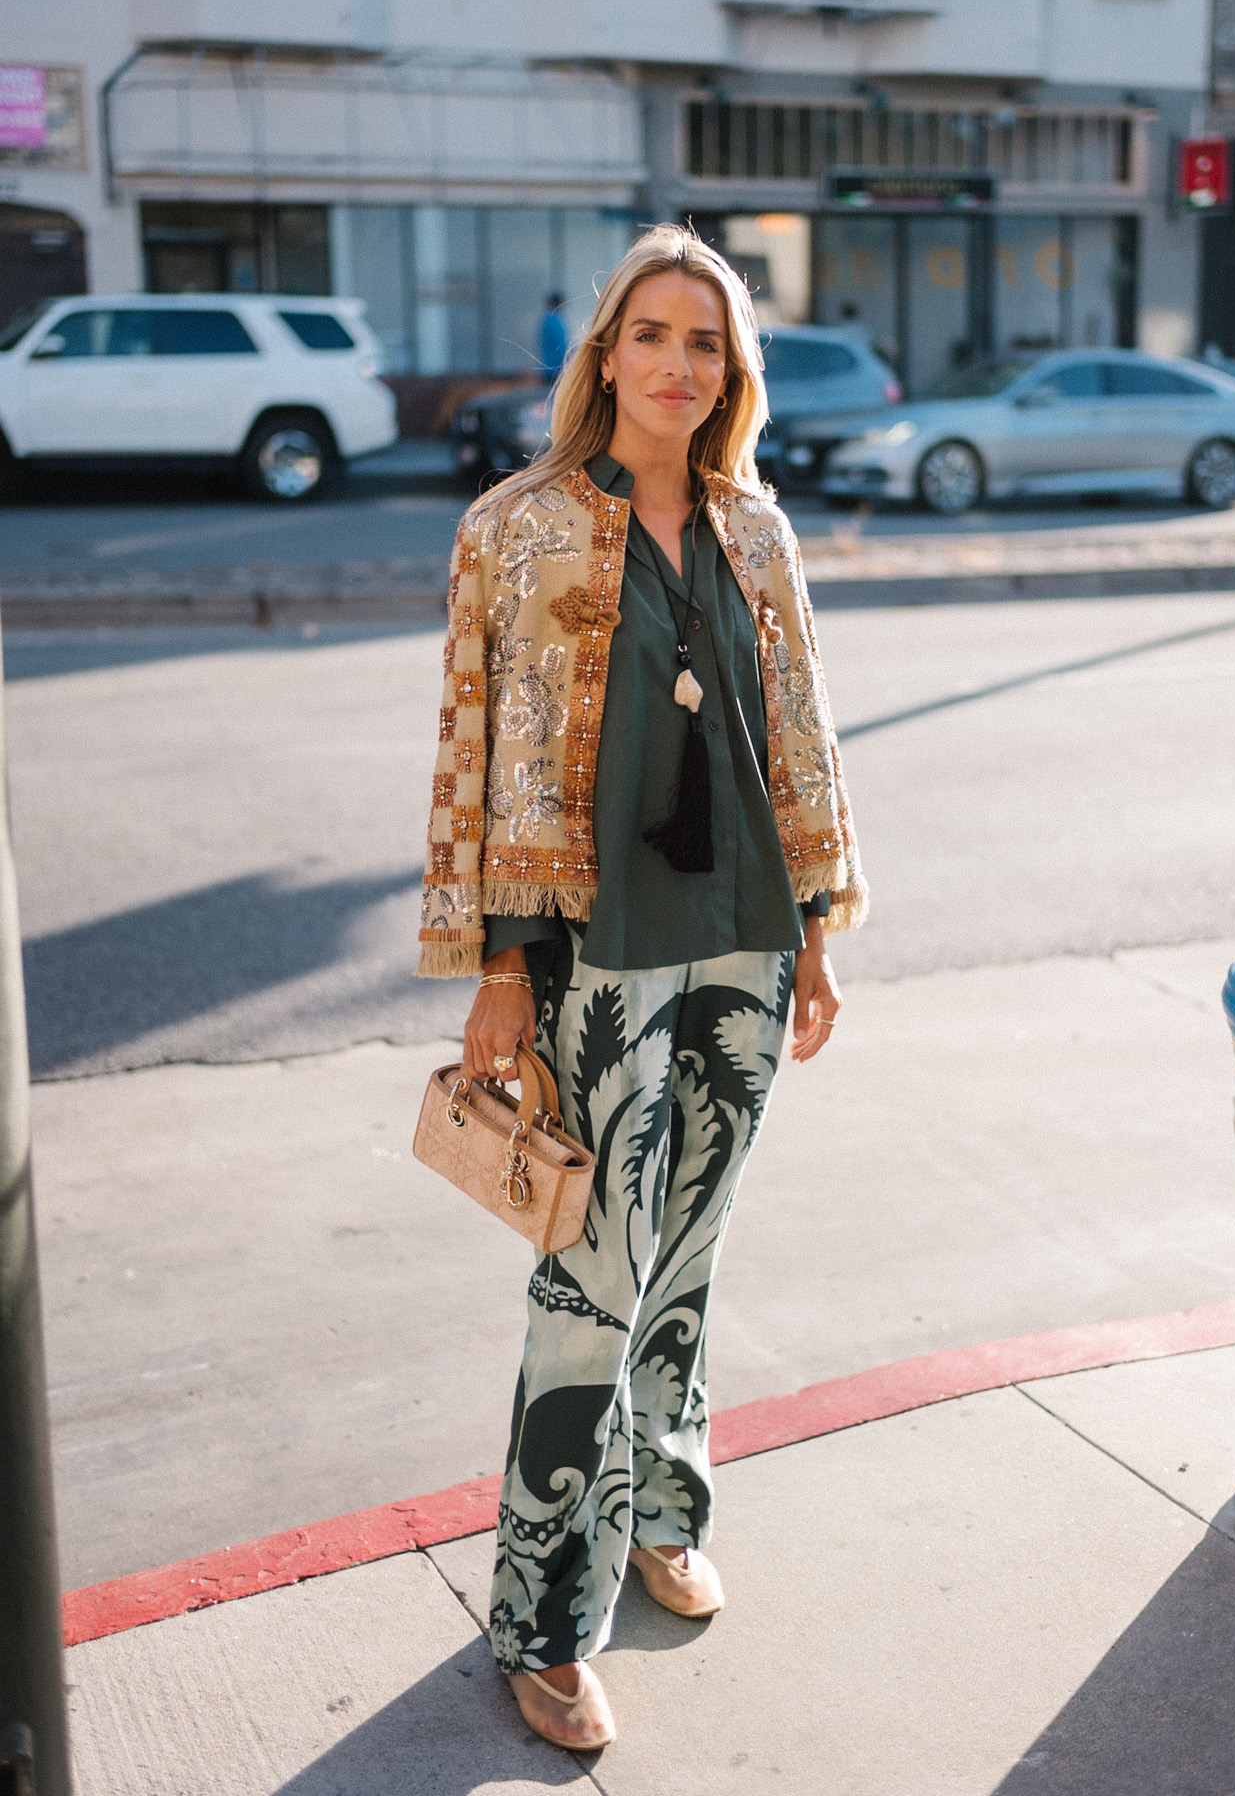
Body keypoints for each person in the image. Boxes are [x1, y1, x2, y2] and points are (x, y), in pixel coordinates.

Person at [417, 225, 868, 1753]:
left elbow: (796, 730)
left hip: (746, 933)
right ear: (606, 351)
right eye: (655, 335)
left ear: (731, 373)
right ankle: (544, 1615)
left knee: (691, 1248)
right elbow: (474, 756)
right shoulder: (516, 527)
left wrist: (815, 929)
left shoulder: (758, 529)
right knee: (591, 1273)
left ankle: (665, 1504)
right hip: (593, 954)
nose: (681, 365)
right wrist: (493, 970)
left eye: (709, 344)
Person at [539, 291, 569, 379]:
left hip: (550, 367)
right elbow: (562, 344)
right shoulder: (554, 320)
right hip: (556, 368)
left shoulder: (550, 318)